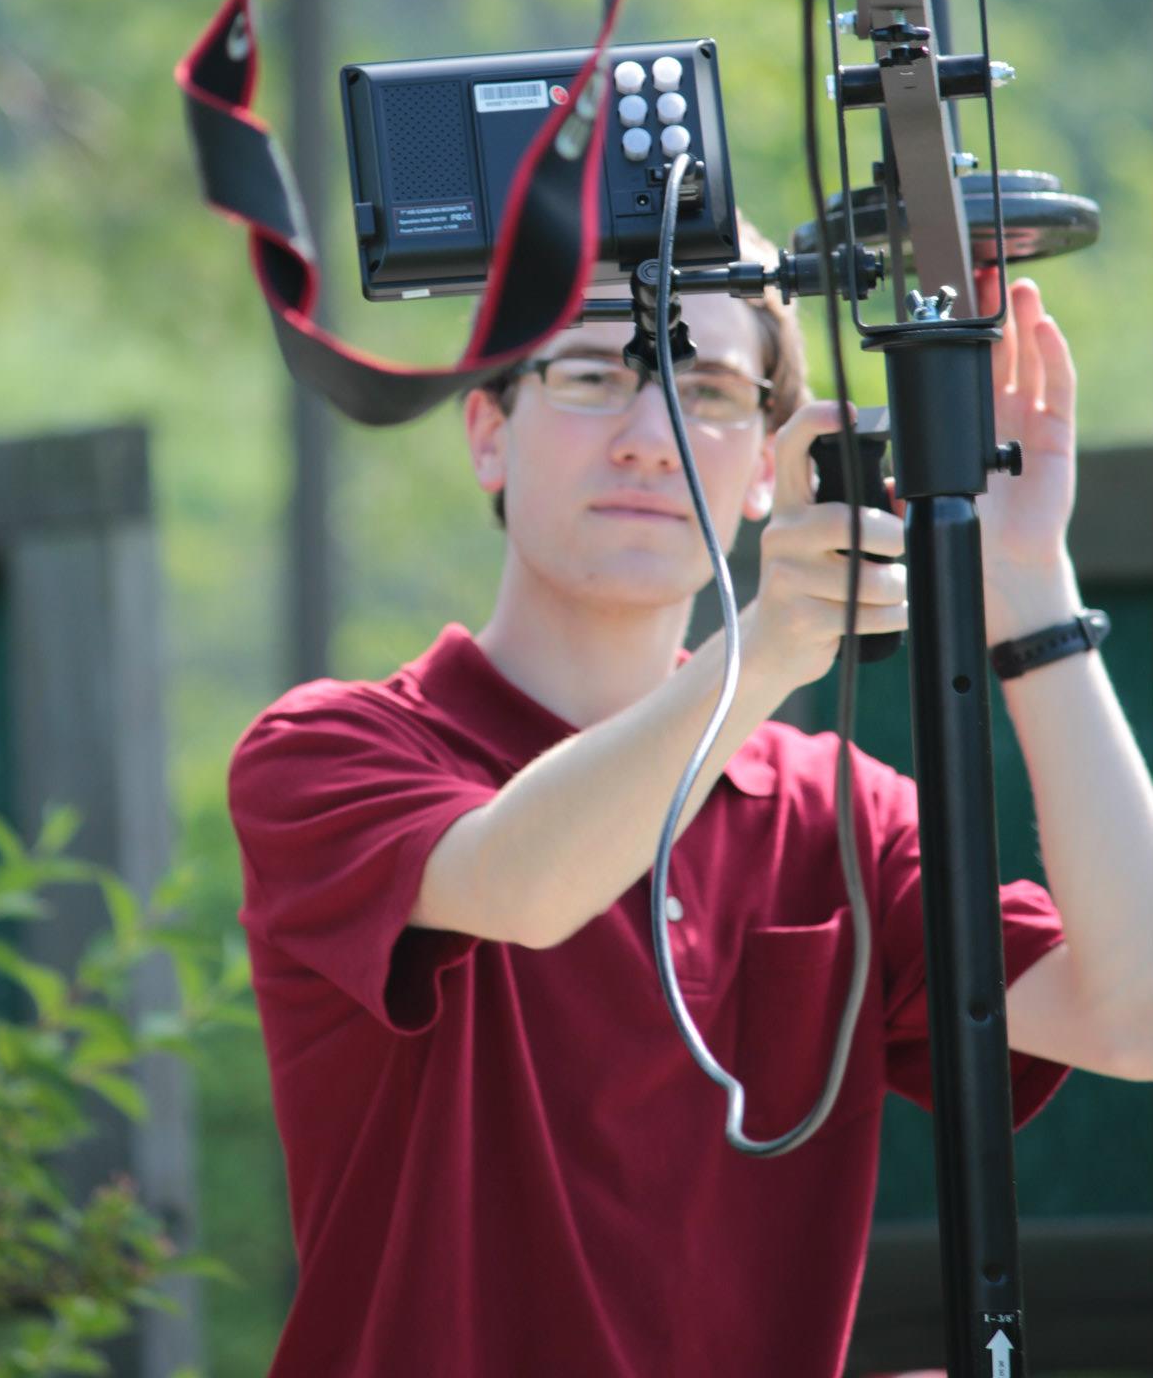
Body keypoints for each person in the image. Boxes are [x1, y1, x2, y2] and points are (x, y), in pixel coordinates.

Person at [227, 241, 1153, 1378]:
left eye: (706, 390)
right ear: (485, 432)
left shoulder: (838, 817)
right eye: (587, 374)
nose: (648, 432)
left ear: (767, 467)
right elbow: (523, 887)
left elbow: (1134, 1014)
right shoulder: (330, 750)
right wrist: (758, 650)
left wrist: (1025, 582)